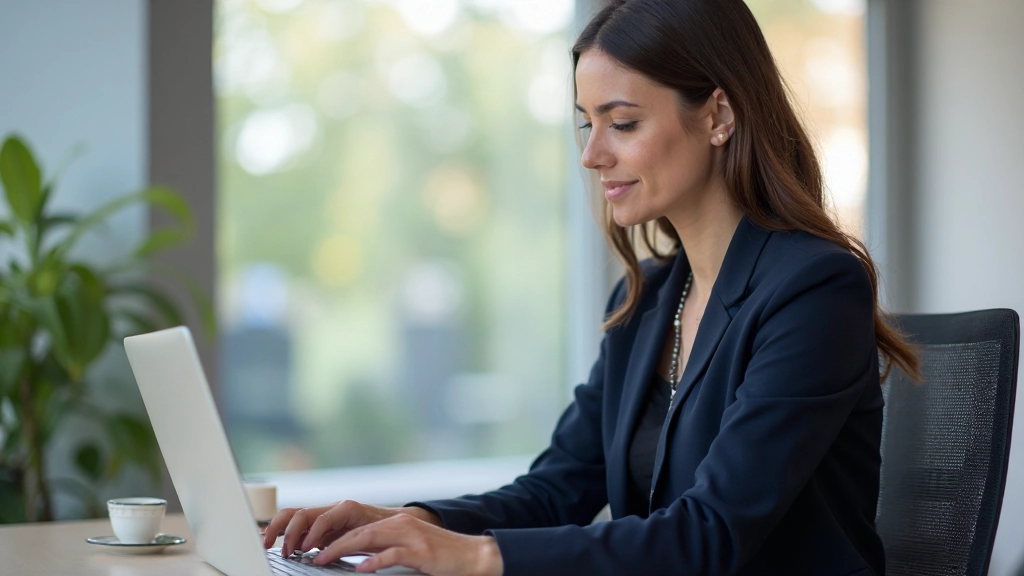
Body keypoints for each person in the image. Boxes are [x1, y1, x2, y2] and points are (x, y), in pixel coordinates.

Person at [262, 1, 920, 574]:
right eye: (587, 122)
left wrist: (476, 558)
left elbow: (711, 534)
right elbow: (556, 490)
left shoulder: (814, 289)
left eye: (623, 123)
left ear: (718, 115)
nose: (592, 154)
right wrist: (409, 521)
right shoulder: (648, 301)